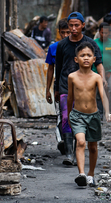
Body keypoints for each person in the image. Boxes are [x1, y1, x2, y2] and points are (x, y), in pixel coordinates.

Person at [55, 12, 106, 166]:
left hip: (86, 87)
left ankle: (81, 149)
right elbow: (58, 67)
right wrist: (56, 88)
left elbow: (99, 64)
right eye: (71, 25)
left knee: (84, 117)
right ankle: (69, 154)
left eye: (77, 25)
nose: (73, 28)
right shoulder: (62, 45)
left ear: (83, 25)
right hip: (65, 86)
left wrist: (102, 79)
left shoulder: (90, 43)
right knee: (66, 118)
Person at [67, 42, 110, 187]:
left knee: (92, 146)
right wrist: (67, 115)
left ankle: (91, 174)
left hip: (93, 116)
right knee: (80, 142)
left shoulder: (97, 77)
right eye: (82, 55)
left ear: (94, 59)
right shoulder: (72, 77)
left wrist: (108, 112)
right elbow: (70, 98)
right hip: (77, 115)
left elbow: (103, 95)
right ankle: (81, 174)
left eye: (89, 55)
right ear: (76, 59)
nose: (86, 58)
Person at [45, 18, 70, 155]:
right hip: (59, 86)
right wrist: (48, 89)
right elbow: (50, 69)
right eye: (63, 33)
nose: (66, 35)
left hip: (76, 86)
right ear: (59, 33)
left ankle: (72, 141)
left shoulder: (77, 47)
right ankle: (63, 140)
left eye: (68, 32)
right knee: (61, 114)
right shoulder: (54, 48)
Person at [94, 22, 111, 112]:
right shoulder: (94, 43)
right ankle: (99, 110)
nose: (104, 35)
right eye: (102, 33)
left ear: (109, 33)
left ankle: (109, 108)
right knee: (97, 92)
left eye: (106, 33)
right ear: (99, 32)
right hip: (97, 72)